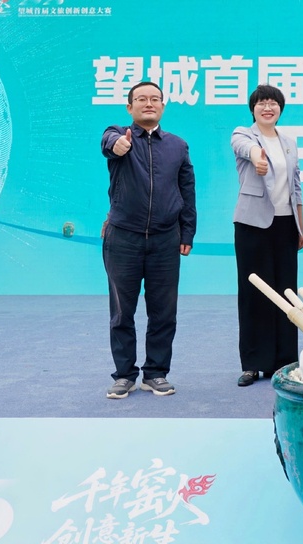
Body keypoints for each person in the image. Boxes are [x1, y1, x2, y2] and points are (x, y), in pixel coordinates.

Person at [101, 81, 196, 399]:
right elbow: (109, 142)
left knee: (164, 312)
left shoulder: (178, 146)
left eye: (155, 99)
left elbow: (187, 190)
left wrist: (187, 231)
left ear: (163, 106)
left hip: (165, 240)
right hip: (123, 239)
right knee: (121, 312)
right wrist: (118, 145)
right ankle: (124, 375)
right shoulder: (119, 134)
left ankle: (155, 373)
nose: (149, 103)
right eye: (141, 99)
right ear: (130, 107)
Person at [231, 85, 303, 387]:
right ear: (253, 109)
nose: (267, 108)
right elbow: (244, 149)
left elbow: (296, 186)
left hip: (285, 225)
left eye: (273, 103)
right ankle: (252, 363)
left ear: (280, 109)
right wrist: (256, 158)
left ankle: (284, 360)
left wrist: (300, 227)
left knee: (286, 292)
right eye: (261, 103)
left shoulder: (289, 142)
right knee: (253, 294)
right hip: (252, 224)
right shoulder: (243, 134)